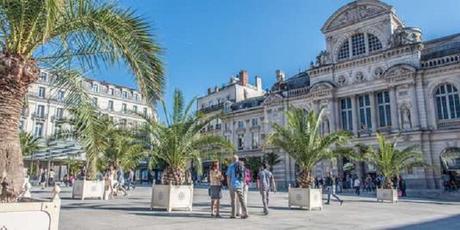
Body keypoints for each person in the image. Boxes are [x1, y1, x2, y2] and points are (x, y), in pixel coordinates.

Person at [226, 155, 248, 219]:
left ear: (232, 159)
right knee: (242, 200)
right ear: (238, 159)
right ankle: (245, 213)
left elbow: (228, 176)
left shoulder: (231, 166)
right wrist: (243, 184)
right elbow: (244, 176)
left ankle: (233, 214)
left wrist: (228, 185)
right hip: (240, 185)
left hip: (232, 185)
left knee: (233, 200)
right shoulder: (242, 166)